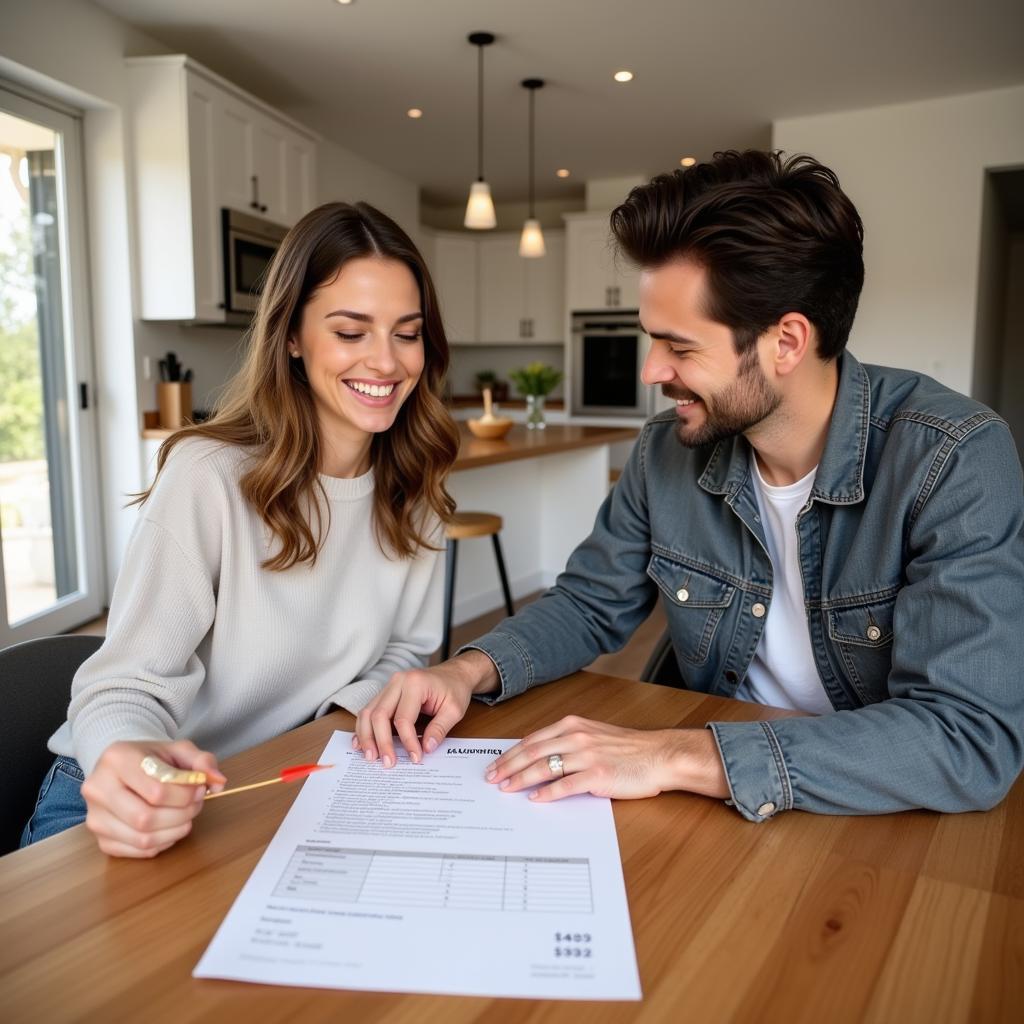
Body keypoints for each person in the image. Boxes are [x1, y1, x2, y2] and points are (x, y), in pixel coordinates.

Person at [355, 150, 1024, 821]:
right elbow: (589, 603)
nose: (651, 371)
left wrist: (675, 755)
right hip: (714, 807)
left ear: (786, 341)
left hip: (861, 811)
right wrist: (464, 671)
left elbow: (967, 737)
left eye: (679, 346)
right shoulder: (665, 453)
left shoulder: (953, 460)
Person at [22, 202, 460, 855]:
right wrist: (128, 759)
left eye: (407, 332)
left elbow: (404, 650)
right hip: (130, 803)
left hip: (281, 785)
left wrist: (346, 724)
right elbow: (125, 683)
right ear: (291, 337)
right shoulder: (210, 476)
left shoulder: (415, 488)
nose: (387, 362)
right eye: (350, 332)